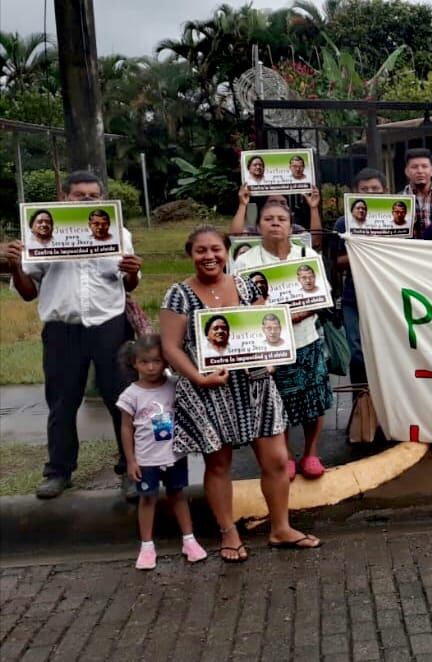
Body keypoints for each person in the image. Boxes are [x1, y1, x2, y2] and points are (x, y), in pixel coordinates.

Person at [160, 225, 320, 561]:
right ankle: (229, 533)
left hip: (256, 384)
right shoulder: (178, 294)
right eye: (201, 250)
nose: (209, 256)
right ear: (191, 254)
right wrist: (198, 378)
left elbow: (266, 328)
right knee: (219, 463)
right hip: (208, 390)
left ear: (226, 252)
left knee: (276, 459)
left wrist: (272, 359)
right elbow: (171, 347)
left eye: (215, 249)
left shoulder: (245, 285)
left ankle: (280, 527)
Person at [6, 171, 144, 500]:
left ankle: (131, 469)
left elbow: (128, 284)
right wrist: (14, 266)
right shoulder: (42, 232)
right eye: (79, 195)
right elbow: (28, 293)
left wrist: (134, 272)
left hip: (109, 324)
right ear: (63, 197)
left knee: (121, 399)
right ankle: (59, 472)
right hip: (62, 328)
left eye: (93, 195)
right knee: (62, 402)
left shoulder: (117, 232)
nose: (86, 200)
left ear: (102, 199)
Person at [234, 201, 333, 481]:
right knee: (281, 402)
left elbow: (323, 291)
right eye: (268, 219)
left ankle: (311, 453)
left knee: (314, 399)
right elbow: (239, 302)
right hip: (271, 345)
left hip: (306, 338)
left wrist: (304, 311)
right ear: (258, 226)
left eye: (281, 219)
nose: (275, 223)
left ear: (291, 226)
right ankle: (286, 455)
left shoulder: (306, 253)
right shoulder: (246, 261)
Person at [117, 334, 207, 570]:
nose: (151, 367)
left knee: (178, 495)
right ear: (134, 363)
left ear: (166, 361)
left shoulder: (175, 385)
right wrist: (131, 461)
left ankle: (189, 540)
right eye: (144, 362)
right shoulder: (131, 395)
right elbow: (126, 429)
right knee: (147, 499)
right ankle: (147, 546)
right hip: (146, 459)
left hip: (174, 455)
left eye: (157, 361)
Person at [333, 168, 391, 385]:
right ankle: (361, 401)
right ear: (355, 192)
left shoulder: (398, 220)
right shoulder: (343, 223)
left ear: (385, 191)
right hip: (354, 297)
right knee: (357, 353)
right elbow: (337, 263)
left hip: (388, 296)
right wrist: (365, 248)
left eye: (375, 189)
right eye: (364, 189)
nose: (370, 193)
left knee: (388, 351)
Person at [403, 148, 432, 240]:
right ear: (407, 171)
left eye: (424, 166)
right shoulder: (398, 199)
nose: (420, 171)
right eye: (414, 167)